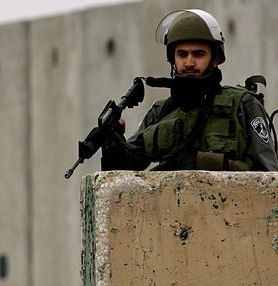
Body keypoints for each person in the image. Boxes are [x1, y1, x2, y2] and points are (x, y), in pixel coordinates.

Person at [101, 9, 278, 171]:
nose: (189, 63)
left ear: (215, 59)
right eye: (182, 54)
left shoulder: (243, 105)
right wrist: (113, 139)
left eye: (198, 54)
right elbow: (124, 170)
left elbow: (269, 176)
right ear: (172, 59)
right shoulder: (161, 112)